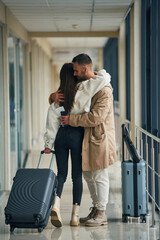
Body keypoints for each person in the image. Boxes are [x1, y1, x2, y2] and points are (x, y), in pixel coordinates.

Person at [52, 53, 117, 227]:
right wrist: (53, 96)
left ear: (84, 69)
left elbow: (96, 117)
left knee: (99, 175)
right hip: (86, 138)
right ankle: (96, 209)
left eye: (75, 70)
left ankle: (101, 212)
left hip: (99, 138)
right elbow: (69, 97)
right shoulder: (86, 84)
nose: (73, 74)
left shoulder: (104, 90)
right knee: (88, 175)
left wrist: (71, 120)